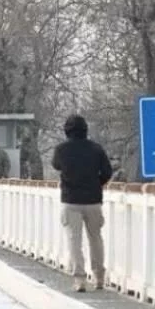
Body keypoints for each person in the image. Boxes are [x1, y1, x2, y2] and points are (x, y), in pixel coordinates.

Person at [51, 114, 113, 292]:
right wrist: (96, 184)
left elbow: (56, 165)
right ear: (86, 130)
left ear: (67, 131)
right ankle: (99, 276)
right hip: (93, 200)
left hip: (71, 200)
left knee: (74, 240)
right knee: (95, 238)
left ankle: (80, 279)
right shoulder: (96, 149)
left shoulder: (61, 150)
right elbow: (107, 171)